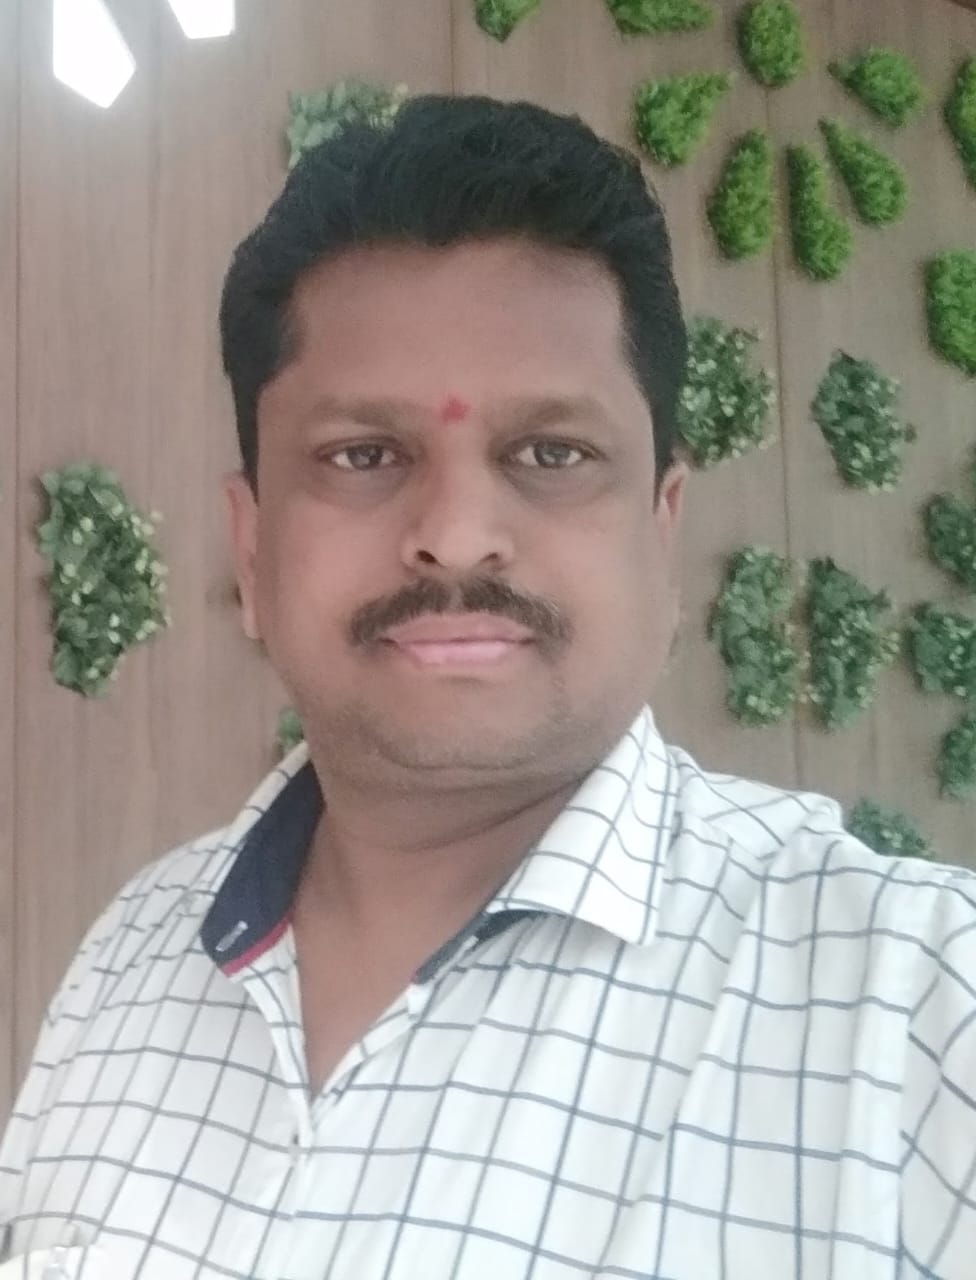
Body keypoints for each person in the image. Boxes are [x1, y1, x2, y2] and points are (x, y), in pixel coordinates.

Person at [1, 94, 973, 1280]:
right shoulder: (130, 955)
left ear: (660, 528)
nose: (457, 534)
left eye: (552, 453)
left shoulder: (918, 1010)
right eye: (363, 454)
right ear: (251, 549)